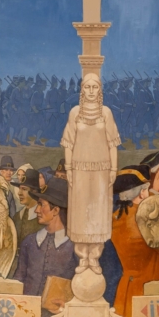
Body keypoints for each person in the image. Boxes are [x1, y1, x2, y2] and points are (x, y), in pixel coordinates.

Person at [61, 73, 121, 275]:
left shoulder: (106, 113)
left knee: (98, 213)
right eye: (87, 87)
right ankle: (82, 256)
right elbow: (68, 143)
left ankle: (94, 256)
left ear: (100, 90)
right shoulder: (75, 113)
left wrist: (113, 169)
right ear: (82, 89)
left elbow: (113, 144)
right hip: (79, 171)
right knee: (80, 213)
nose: (91, 91)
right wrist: (69, 169)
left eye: (95, 87)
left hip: (101, 172)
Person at [112, 165, 159, 317]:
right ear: (142, 192)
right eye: (146, 189)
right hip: (149, 291)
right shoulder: (147, 218)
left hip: (126, 291)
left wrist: (154, 192)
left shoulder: (115, 217)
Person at [14, 177, 78, 317]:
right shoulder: (29, 242)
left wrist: (69, 305)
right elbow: (18, 279)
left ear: (55, 210)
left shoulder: (75, 246)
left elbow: (83, 288)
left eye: (41, 205)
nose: (37, 210)